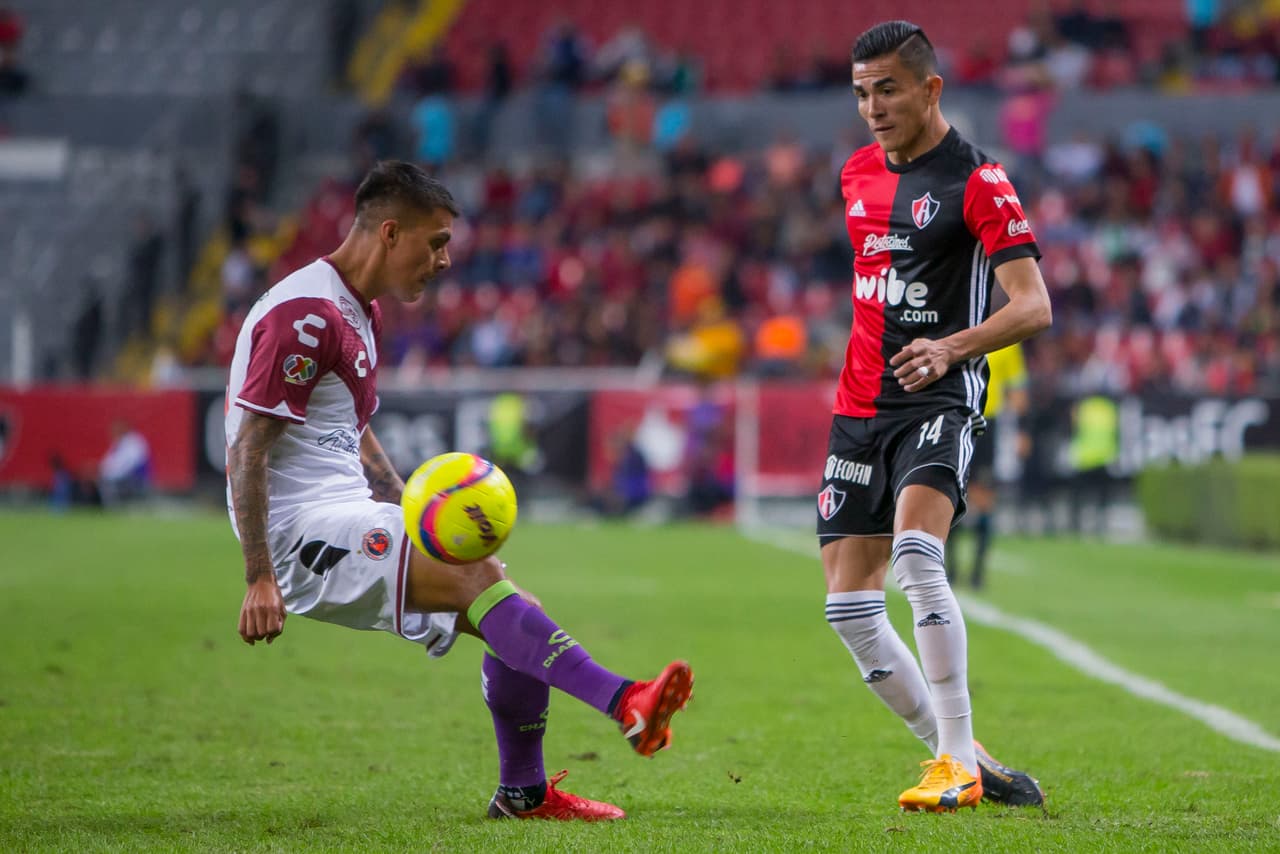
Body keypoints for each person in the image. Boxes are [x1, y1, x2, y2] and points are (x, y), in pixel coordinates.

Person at [225, 161, 693, 822]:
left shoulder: (359, 314)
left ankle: (524, 794)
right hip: (299, 533)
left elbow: (353, 434)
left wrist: (402, 504)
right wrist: (259, 577)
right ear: (390, 233)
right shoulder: (308, 313)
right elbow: (249, 447)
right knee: (483, 578)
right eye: (436, 242)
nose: (445, 260)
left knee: (512, 604)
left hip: (345, 513)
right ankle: (625, 701)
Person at [817, 21, 1051, 813]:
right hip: (858, 409)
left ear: (929, 88)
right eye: (860, 92)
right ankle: (965, 757)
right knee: (848, 607)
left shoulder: (979, 181)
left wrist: (953, 348)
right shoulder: (854, 173)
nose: (872, 106)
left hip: (939, 396)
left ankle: (953, 763)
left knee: (919, 556)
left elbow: (1033, 306)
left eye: (886, 88)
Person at [961, 341, 1030, 589]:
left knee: (984, 498)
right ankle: (949, 569)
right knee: (949, 492)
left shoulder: (1006, 341)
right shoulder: (957, 327)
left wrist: (1023, 430)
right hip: (956, 419)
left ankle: (978, 572)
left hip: (987, 426)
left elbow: (1017, 390)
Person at [98, 420, 151, 506]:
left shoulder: (133, 442)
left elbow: (130, 464)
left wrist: (109, 473)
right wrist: (102, 469)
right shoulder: (118, 443)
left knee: (107, 482)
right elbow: (109, 461)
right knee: (103, 479)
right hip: (119, 475)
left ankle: (114, 506)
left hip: (133, 476)